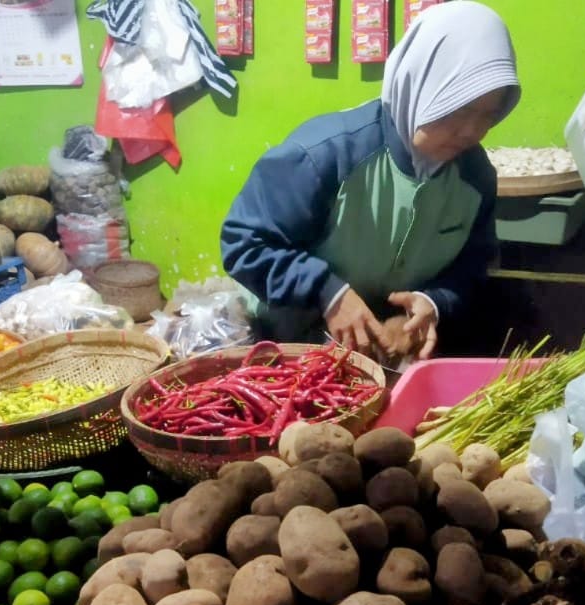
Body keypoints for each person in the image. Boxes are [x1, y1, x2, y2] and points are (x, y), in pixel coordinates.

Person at [220, 1, 519, 360]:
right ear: (419, 85)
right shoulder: (324, 155)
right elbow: (244, 243)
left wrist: (432, 302)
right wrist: (326, 292)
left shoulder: (474, 176)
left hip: (384, 356)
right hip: (289, 347)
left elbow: (474, 264)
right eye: (459, 110)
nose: (472, 131)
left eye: (489, 115)